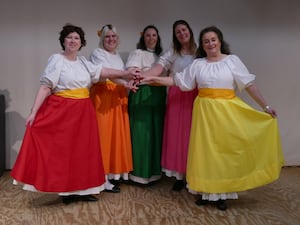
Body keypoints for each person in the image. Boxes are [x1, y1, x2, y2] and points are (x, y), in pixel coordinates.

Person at [140, 25, 284, 210]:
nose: (210, 44)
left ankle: (222, 193)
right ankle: (207, 192)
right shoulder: (198, 64)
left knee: (223, 152)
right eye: (206, 41)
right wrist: (149, 79)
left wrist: (266, 106)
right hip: (204, 114)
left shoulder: (232, 61)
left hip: (226, 113)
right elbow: (177, 81)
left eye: (213, 40)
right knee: (205, 153)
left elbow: (249, 84)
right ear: (202, 45)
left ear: (220, 41)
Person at [10, 24, 139, 204]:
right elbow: (46, 86)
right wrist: (34, 111)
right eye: (69, 37)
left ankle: (83, 190)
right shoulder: (57, 59)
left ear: (81, 43)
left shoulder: (84, 62)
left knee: (83, 153)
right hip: (62, 110)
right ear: (63, 41)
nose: (73, 40)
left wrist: (126, 73)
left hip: (84, 112)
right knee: (64, 153)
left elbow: (103, 72)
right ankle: (66, 191)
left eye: (76, 38)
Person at [142, 20, 198, 191]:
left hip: (196, 97)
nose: (182, 34)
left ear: (189, 31)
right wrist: (144, 77)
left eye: (184, 30)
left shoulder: (200, 51)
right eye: (178, 32)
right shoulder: (172, 52)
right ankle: (180, 176)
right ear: (175, 36)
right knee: (177, 135)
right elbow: (158, 68)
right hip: (176, 95)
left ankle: (194, 174)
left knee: (194, 136)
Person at [89, 24, 133, 193]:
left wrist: (127, 84)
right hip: (103, 96)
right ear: (102, 39)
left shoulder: (116, 56)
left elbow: (117, 78)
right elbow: (105, 74)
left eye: (114, 36)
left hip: (117, 96)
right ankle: (101, 176)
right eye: (107, 37)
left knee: (114, 135)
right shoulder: (97, 53)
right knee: (103, 136)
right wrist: (126, 76)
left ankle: (110, 175)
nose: (111, 39)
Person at [125, 25, 166, 184]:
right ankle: (139, 174)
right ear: (143, 38)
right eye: (148, 35)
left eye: (154, 35)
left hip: (159, 95)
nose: (151, 38)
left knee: (156, 133)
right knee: (141, 134)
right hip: (142, 94)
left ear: (158, 37)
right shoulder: (138, 53)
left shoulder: (161, 56)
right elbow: (133, 72)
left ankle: (154, 173)